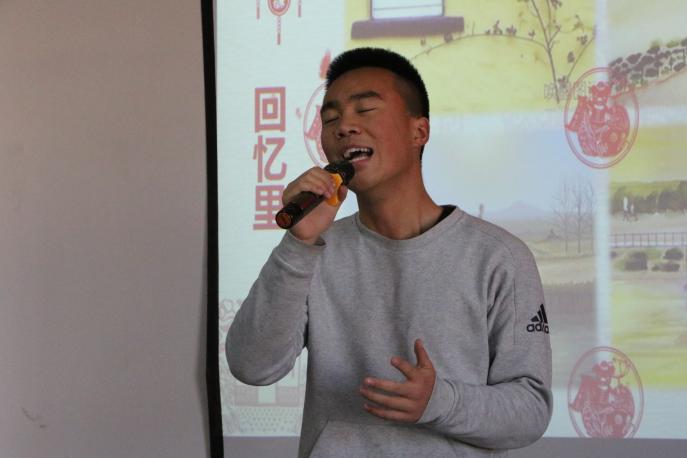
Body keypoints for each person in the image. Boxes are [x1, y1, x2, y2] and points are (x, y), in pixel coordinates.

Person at [227, 47, 552, 457]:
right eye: (331, 119)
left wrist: (439, 402)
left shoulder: (498, 256)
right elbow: (252, 366)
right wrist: (299, 243)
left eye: (365, 110)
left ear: (419, 131)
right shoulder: (314, 250)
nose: (344, 127)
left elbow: (530, 410)